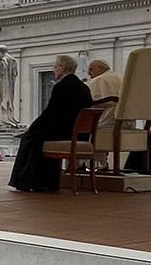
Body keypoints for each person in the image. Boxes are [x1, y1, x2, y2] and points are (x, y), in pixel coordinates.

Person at [8, 54, 92, 192]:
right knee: (37, 136)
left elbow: (50, 114)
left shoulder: (62, 87)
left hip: (64, 133)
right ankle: (47, 182)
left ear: (62, 68)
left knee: (30, 139)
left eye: (55, 67)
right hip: (80, 135)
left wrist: (31, 129)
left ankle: (28, 182)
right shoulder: (84, 88)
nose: (54, 70)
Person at [0, 45, 20, 127]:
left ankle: (3, 119)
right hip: (10, 86)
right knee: (9, 102)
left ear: (0, 52)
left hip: (2, 86)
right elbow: (15, 73)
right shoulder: (12, 60)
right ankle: (10, 117)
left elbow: (0, 75)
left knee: (1, 101)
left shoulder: (3, 61)